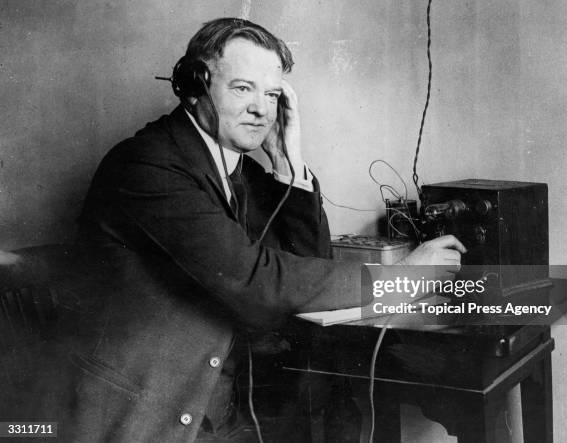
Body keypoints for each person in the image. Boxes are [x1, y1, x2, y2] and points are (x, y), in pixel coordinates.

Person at [2, 17, 465, 442]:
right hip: (143, 412)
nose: (261, 111)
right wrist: (401, 277)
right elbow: (255, 281)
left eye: (271, 95)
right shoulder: (146, 165)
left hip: (219, 405)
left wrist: (288, 165)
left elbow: (309, 263)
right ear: (193, 86)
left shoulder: (243, 172)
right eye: (243, 89)